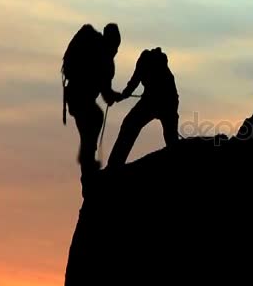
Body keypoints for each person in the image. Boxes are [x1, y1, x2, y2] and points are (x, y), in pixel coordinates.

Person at [62, 23, 123, 188]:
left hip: (74, 97)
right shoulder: (104, 59)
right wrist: (117, 96)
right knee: (93, 122)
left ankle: (88, 173)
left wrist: (114, 96)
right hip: (80, 100)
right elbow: (107, 94)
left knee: (89, 131)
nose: (116, 50)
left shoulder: (97, 50)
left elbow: (106, 93)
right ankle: (88, 174)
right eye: (116, 45)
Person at [107, 47, 179, 167]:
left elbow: (134, 83)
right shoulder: (148, 62)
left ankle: (115, 164)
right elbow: (134, 83)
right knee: (130, 124)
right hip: (160, 101)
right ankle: (115, 163)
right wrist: (122, 96)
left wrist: (122, 96)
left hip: (160, 101)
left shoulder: (146, 62)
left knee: (130, 124)